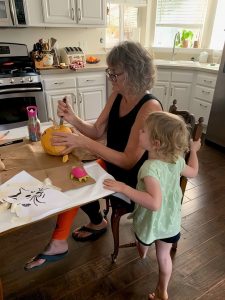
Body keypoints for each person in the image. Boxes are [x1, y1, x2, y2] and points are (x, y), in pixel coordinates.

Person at [24, 41, 163, 270]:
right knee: (72, 175)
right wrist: (72, 118)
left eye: (113, 72)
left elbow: (129, 161)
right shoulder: (119, 93)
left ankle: (76, 232)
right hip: (112, 164)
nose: (110, 77)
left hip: (135, 179)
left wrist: (82, 141)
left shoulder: (149, 107)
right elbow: (98, 131)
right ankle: (80, 231)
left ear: (130, 72)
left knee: (78, 177)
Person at [103, 111, 201, 300]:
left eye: (143, 131)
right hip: (170, 220)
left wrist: (123, 187)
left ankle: (143, 250)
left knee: (142, 240)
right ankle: (162, 290)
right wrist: (194, 151)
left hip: (151, 221)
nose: (139, 131)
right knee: (164, 257)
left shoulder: (149, 168)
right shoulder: (177, 161)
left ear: (155, 143)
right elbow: (194, 172)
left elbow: (154, 203)